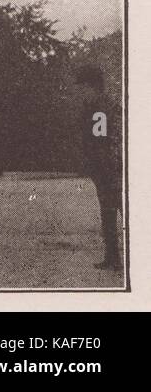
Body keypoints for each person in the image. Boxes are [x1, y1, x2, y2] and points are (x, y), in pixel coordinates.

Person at [75, 64, 122, 270]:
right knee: (110, 213)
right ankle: (113, 257)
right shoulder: (98, 106)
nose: (81, 93)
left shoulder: (99, 109)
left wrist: (102, 170)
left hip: (109, 169)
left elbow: (102, 140)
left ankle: (117, 258)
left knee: (116, 210)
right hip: (106, 169)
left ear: (93, 86)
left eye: (84, 88)